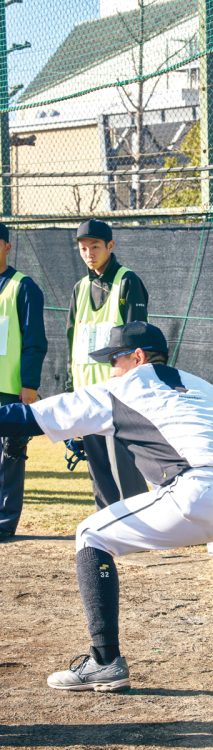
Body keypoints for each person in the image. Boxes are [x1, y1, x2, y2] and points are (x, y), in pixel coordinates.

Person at [0, 321, 213, 691]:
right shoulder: (206, 387)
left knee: (90, 535)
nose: (111, 368)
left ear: (138, 357)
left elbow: (25, 418)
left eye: (115, 359)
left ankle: (105, 660)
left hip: (205, 489)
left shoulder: (125, 385)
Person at [66, 219, 149, 508]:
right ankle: (108, 520)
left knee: (122, 460)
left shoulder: (127, 282)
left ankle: (140, 520)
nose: (89, 253)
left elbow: (139, 337)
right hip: (87, 390)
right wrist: (71, 387)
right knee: (98, 465)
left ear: (110, 246)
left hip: (118, 391)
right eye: (83, 248)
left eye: (95, 246)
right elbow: (72, 338)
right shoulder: (79, 288)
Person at [0, 222, 47, 540]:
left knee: (10, 457)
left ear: (6, 246)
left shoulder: (23, 286)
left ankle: (4, 523)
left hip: (9, 389)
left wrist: (28, 385)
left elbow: (34, 340)